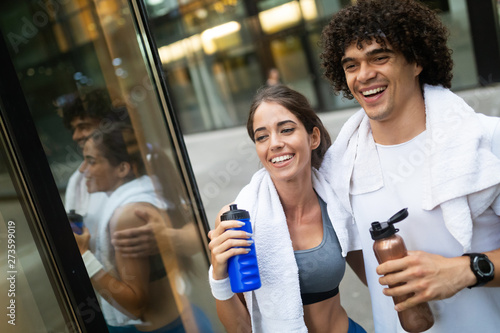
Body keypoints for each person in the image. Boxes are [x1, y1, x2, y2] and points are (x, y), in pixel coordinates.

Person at [319, 0, 500, 332]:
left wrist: (468, 270)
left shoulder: (487, 139)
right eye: (351, 65)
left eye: (380, 57)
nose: (364, 75)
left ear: (416, 60)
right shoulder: (341, 167)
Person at [207, 84, 366, 333]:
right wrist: (218, 274)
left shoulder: (337, 203)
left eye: (287, 130)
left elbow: (378, 281)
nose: (275, 144)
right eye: (262, 136)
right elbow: (239, 329)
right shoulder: (237, 221)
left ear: (312, 137)